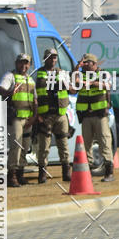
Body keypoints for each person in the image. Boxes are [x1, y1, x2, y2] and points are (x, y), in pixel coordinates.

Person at [0, 52, 37, 187]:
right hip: (15, 118)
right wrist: (9, 92)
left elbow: (35, 100)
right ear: (16, 63)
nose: (23, 65)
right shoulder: (10, 76)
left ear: (29, 65)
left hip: (28, 119)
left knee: (25, 147)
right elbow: (0, 89)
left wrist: (34, 116)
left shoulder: (30, 79)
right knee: (16, 146)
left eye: (26, 63)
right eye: (21, 62)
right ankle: (12, 175)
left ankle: (20, 174)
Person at [75, 53, 114, 182]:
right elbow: (74, 85)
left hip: (100, 115)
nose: (84, 65)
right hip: (86, 115)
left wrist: (91, 83)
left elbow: (108, 85)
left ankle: (109, 172)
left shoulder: (103, 74)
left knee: (104, 142)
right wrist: (76, 68)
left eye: (87, 63)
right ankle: (88, 172)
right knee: (86, 145)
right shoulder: (80, 74)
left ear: (94, 64)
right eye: (83, 63)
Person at [35, 47, 71, 184]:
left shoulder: (62, 73)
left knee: (63, 144)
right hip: (45, 116)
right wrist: (37, 115)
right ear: (45, 58)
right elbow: (34, 95)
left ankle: (66, 172)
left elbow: (71, 89)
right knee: (44, 147)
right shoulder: (39, 74)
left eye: (55, 57)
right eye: (50, 57)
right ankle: (42, 174)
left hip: (60, 114)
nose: (53, 59)